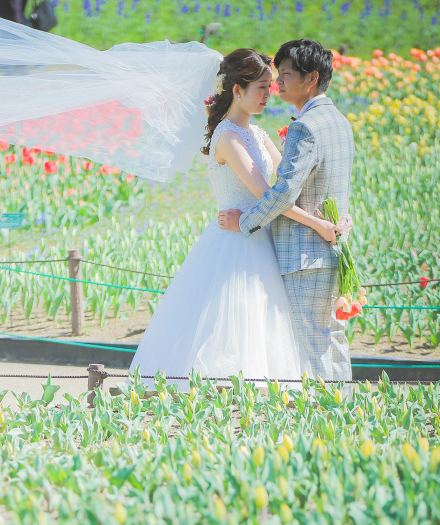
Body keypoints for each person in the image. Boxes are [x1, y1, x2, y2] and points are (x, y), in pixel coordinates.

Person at [129, 48, 338, 388]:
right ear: (237, 91)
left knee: (263, 322)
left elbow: (290, 183)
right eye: (261, 87)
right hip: (233, 242)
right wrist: (318, 225)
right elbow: (268, 195)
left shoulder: (258, 134)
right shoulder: (227, 136)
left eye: (271, 86)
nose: (268, 94)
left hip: (257, 234)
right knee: (233, 324)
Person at [218, 39, 354, 382]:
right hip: (330, 249)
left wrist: (244, 221)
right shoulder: (339, 121)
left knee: (313, 344)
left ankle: (331, 418)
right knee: (329, 339)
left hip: (304, 255)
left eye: (286, 75)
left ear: (311, 79)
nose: (278, 84)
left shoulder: (305, 126)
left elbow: (281, 194)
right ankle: (345, 412)